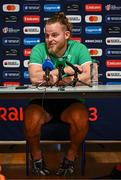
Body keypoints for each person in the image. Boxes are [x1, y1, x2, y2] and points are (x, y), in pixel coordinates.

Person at [24, 12, 92, 176]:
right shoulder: (39, 49)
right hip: (43, 102)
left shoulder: (79, 48)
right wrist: (65, 71)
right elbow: (34, 77)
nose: (50, 39)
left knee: (81, 118)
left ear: (67, 35)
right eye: (47, 35)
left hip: (70, 102)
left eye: (55, 35)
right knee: (30, 118)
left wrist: (54, 77)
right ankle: (37, 158)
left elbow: (88, 75)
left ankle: (70, 156)